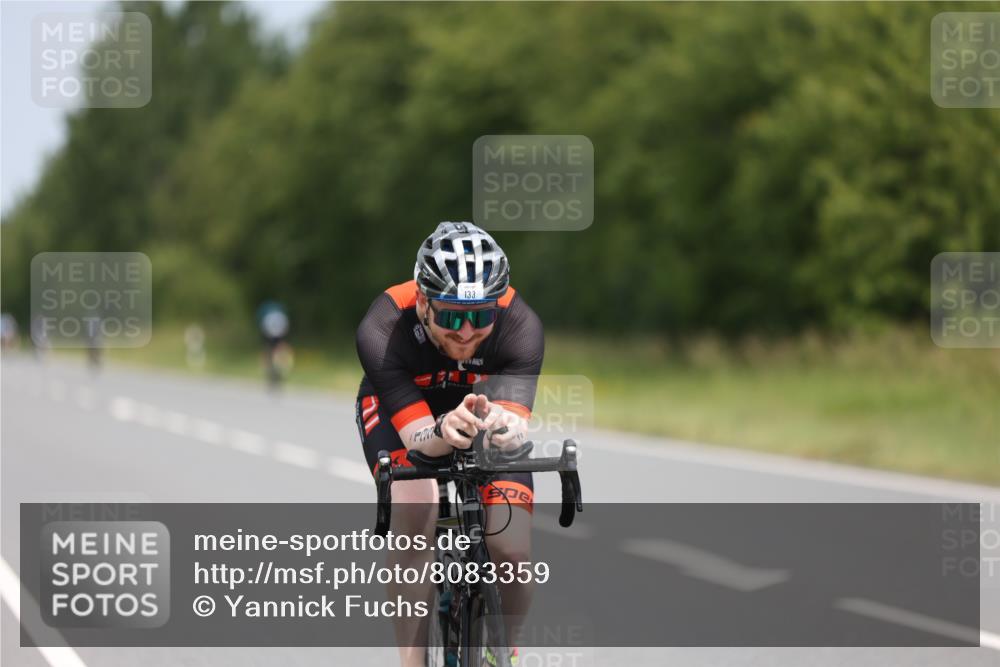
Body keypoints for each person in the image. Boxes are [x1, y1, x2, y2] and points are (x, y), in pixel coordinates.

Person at [355, 221, 543, 667]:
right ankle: (412, 660)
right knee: (416, 508)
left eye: (481, 317)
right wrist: (442, 431)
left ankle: (503, 648)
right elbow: (419, 441)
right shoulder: (383, 326)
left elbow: (514, 427)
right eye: (452, 317)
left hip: (480, 406)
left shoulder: (521, 325)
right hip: (405, 412)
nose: (465, 332)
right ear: (423, 302)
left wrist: (504, 426)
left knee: (512, 551)